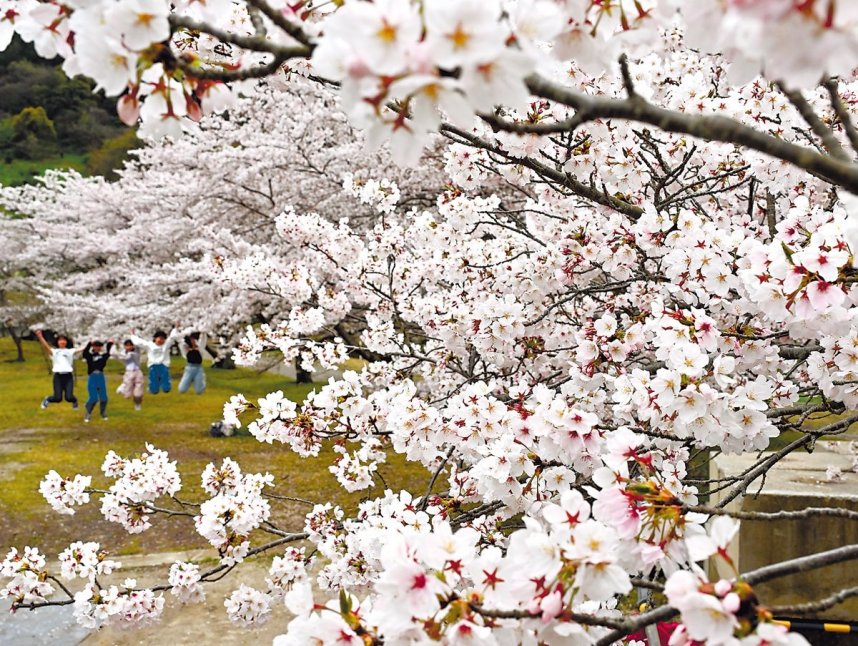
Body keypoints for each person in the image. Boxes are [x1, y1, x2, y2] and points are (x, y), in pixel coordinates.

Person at [35, 329, 82, 409]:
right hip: (58, 377)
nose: (62, 342)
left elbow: (81, 349)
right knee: (58, 398)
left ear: (66, 342)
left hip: (68, 377)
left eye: (64, 340)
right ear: (57, 342)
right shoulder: (54, 351)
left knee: (69, 397)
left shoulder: (70, 351)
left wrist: (91, 343)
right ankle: (47, 399)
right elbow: (46, 347)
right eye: (60, 340)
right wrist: (40, 337)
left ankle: (74, 401)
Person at [129, 327, 179, 394]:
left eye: (163, 339)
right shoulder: (150, 345)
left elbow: (172, 337)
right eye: (159, 338)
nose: (161, 340)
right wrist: (132, 335)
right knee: (153, 381)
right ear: (155, 338)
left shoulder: (166, 345)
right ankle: (153, 389)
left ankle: (166, 387)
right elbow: (139, 342)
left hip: (163, 366)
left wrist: (176, 328)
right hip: (153, 366)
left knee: (165, 381)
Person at [82, 339, 114, 422]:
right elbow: (85, 353)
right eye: (96, 346)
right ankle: (88, 413)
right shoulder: (89, 356)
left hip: (100, 376)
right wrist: (89, 343)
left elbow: (108, 353)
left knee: (103, 397)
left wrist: (110, 343)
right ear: (93, 347)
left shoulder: (103, 356)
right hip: (92, 377)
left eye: (99, 346)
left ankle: (103, 412)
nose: (98, 348)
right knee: (93, 398)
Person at [116, 339, 145, 410]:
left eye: (130, 345)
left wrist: (133, 335)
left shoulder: (136, 351)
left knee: (138, 390)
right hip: (129, 372)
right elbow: (120, 356)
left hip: (137, 371)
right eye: (127, 346)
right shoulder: (123, 353)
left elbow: (138, 344)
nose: (129, 347)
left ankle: (137, 404)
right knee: (128, 387)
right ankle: (123, 388)